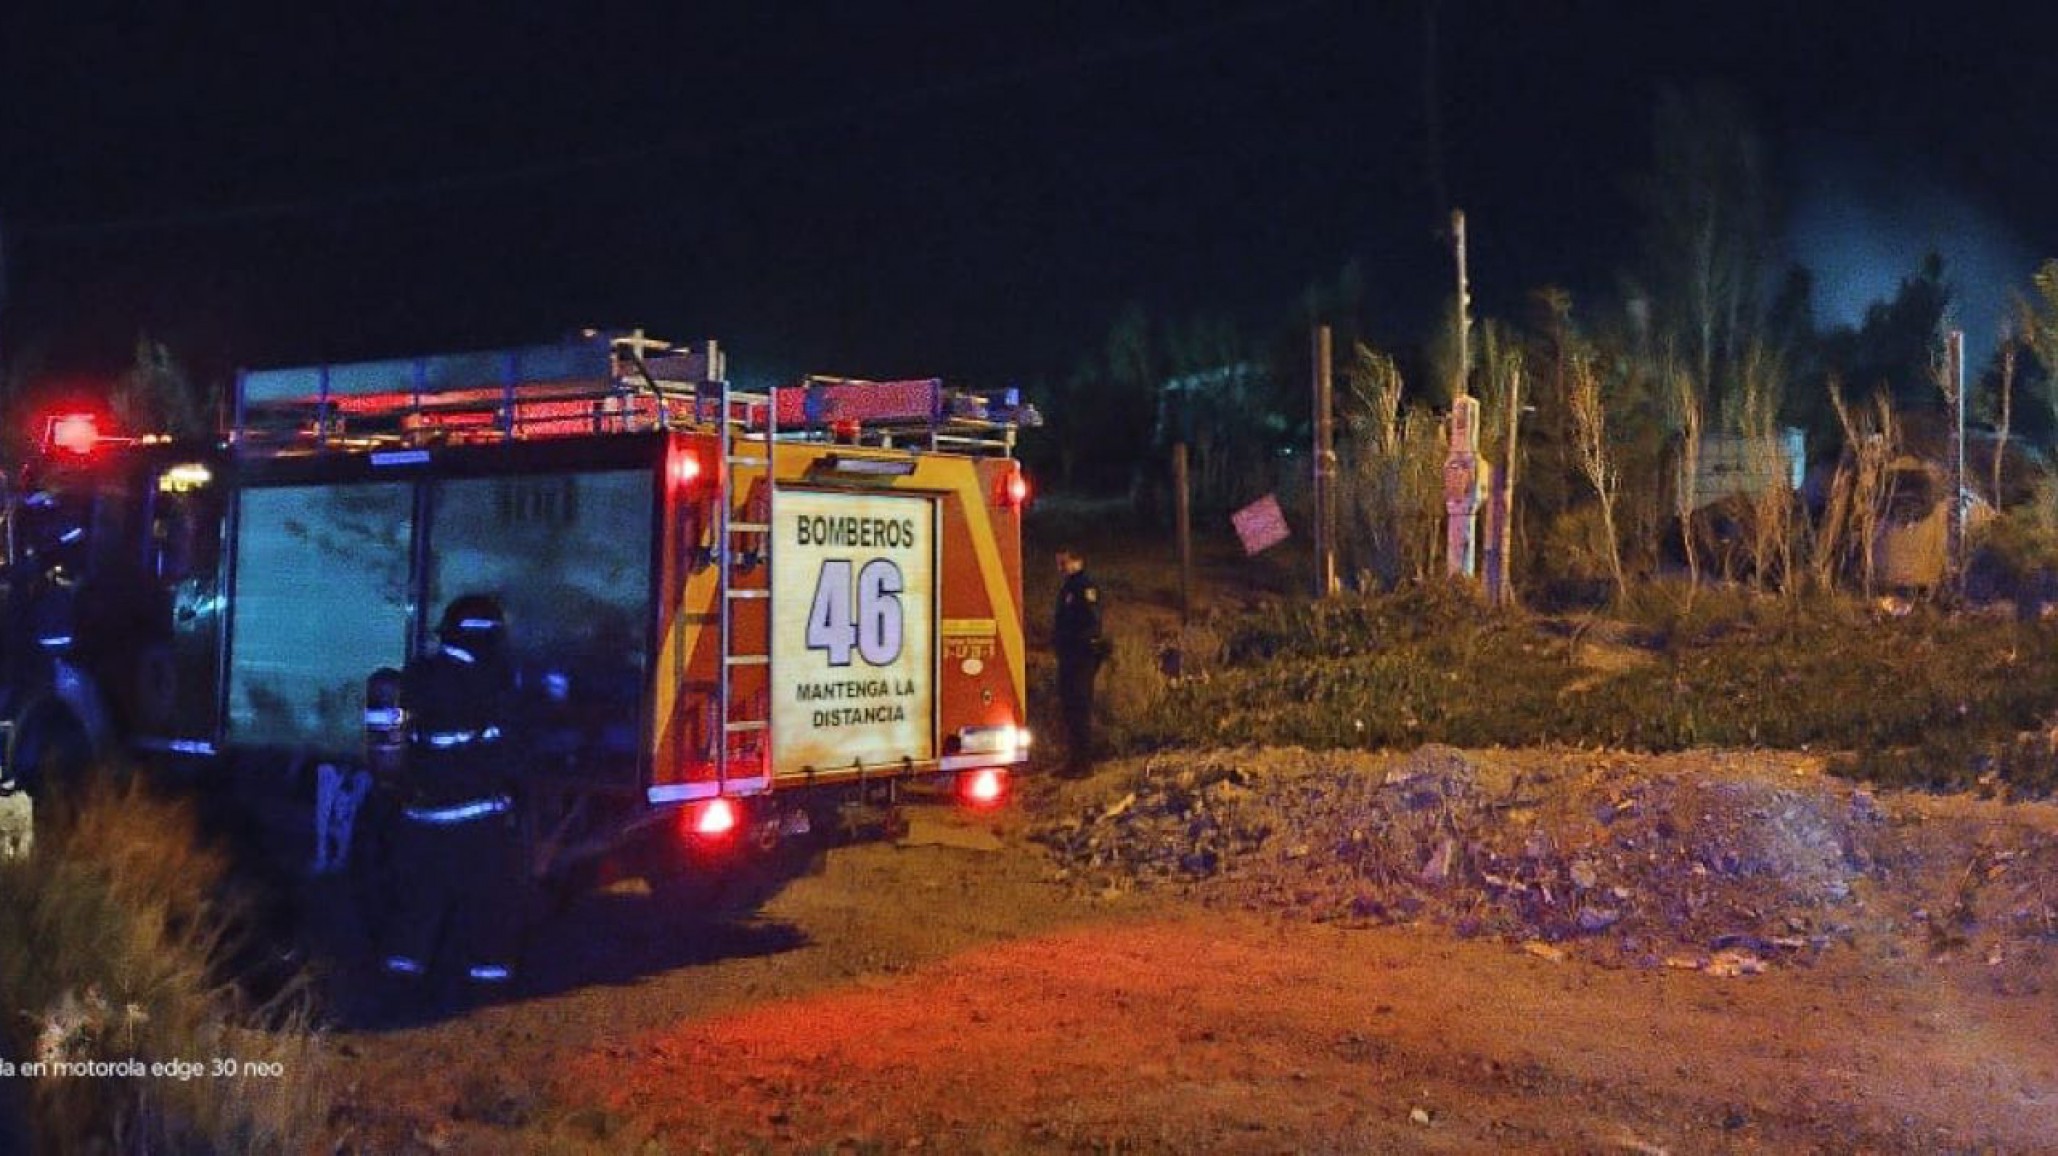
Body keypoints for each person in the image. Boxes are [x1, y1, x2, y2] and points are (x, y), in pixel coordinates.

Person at [380, 593, 523, 998]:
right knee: (488, 899)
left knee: (418, 899)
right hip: (474, 819)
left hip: (420, 817)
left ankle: (402, 974)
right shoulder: (486, 682)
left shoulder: (418, 674)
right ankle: (487, 979)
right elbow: (510, 749)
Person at [1052, 546, 1107, 778]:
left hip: (1081, 656)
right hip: (1070, 656)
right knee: (1070, 709)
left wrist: (1078, 644)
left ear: (1077, 561)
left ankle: (1083, 764)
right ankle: (1074, 761)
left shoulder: (1084, 586)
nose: (1060, 567)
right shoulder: (1070, 586)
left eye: (1064, 563)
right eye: (1058, 563)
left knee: (1080, 708)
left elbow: (1092, 622)